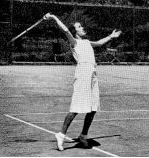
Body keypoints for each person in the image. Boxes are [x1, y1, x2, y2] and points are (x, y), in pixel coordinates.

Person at [44, 13, 121, 151]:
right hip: (83, 73)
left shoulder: (86, 42)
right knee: (76, 108)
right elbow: (65, 30)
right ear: (75, 32)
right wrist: (54, 17)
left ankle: (83, 135)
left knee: (93, 108)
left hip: (93, 73)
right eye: (79, 26)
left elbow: (98, 43)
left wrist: (111, 36)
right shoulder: (74, 42)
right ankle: (61, 134)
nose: (82, 27)